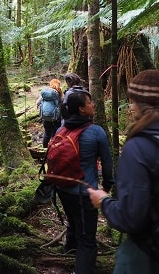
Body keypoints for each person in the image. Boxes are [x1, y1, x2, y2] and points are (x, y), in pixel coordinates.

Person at [88, 69, 159, 274]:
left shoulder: (138, 147)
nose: (131, 106)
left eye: (133, 101)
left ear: (140, 104)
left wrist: (104, 201)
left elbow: (131, 218)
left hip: (146, 252)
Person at [57, 88, 114, 274]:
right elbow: (107, 163)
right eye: (90, 102)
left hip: (62, 189)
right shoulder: (96, 132)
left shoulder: (61, 129)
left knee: (73, 222)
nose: (93, 104)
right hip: (84, 193)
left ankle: (68, 254)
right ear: (82, 109)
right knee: (87, 240)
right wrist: (106, 186)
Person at [36, 78, 63, 147]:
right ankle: (53, 150)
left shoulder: (45, 93)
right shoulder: (59, 93)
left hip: (45, 117)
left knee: (47, 134)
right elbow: (62, 103)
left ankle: (44, 149)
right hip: (56, 117)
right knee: (55, 134)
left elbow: (37, 102)